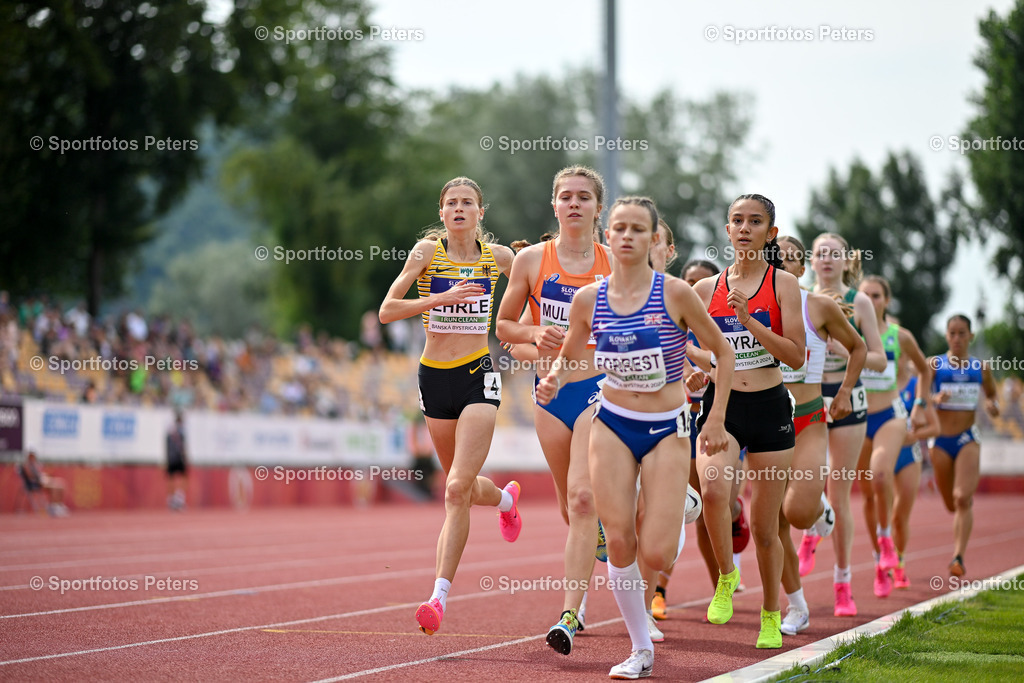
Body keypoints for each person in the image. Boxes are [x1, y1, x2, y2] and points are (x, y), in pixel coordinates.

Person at [537, 196, 735, 679]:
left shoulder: (675, 294)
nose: (626, 236)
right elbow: (567, 355)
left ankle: (676, 506)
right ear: (609, 237)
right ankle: (640, 648)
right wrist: (555, 379)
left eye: (637, 230)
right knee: (620, 541)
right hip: (611, 424)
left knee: (656, 551)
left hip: (667, 430)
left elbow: (723, 354)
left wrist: (715, 420)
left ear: (652, 240)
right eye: (619, 228)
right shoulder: (589, 300)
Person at [379, 176, 519, 635]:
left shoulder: (500, 259)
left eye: (468, 202)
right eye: (451, 203)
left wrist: (531, 340)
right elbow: (387, 310)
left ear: (482, 212)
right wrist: (439, 297)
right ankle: (503, 499)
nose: (459, 208)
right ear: (441, 213)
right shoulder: (426, 252)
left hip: (479, 373)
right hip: (433, 379)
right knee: (462, 487)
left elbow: (530, 306)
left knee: (455, 490)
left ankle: (437, 598)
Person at [495, 166, 611, 656]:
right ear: (554, 205)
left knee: (584, 499)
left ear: (597, 208)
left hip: (600, 390)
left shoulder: (614, 262)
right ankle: (602, 544)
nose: (574, 204)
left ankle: (569, 613)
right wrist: (532, 335)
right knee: (570, 505)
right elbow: (503, 327)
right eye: (566, 196)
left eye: (584, 197)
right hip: (549, 393)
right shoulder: (529, 261)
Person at [690, 194, 806, 649]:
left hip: (771, 409)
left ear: (770, 233)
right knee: (714, 492)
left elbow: (795, 354)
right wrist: (702, 362)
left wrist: (748, 323)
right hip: (722, 409)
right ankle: (725, 575)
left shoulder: (783, 287)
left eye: (754, 222)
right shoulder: (705, 291)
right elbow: (693, 346)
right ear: (726, 229)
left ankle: (771, 615)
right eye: (736, 220)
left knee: (765, 528)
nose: (744, 229)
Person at [774, 235, 866, 635]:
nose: (784, 266)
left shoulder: (820, 306)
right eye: (777, 260)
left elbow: (858, 348)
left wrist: (844, 391)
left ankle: (818, 508)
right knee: (771, 524)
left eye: (793, 261)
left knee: (796, 513)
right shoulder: (752, 309)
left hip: (809, 416)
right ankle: (795, 606)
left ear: (802, 268)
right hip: (765, 421)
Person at [800, 232, 886, 617]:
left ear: (845, 260)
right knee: (807, 478)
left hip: (849, 397)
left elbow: (879, 359)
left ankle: (843, 583)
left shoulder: (859, 300)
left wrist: (841, 348)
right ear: (811, 261)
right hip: (811, 396)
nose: (828, 260)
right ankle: (810, 525)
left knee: (841, 491)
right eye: (821, 254)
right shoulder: (802, 297)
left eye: (834, 254)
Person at [854, 275, 933, 597]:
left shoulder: (900, 337)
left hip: (890, 416)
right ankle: (879, 559)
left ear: (886, 301)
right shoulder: (849, 334)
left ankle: (889, 544)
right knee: (869, 498)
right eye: (865, 295)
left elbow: (925, 370)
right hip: (857, 421)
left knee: (881, 475)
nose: (871, 301)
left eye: (877, 295)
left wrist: (920, 405)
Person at [929, 314, 999, 577]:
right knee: (950, 503)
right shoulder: (935, 365)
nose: (957, 338)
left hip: (967, 437)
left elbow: (992, 395)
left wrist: (993, 406)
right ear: (946, 336)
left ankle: (958, 556)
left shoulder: (981, 367)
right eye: (952, 333)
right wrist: (934, 398)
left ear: (971, 336)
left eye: (962, 333)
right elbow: (919, 396)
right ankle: (957, 548)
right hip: (940, 441)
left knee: (962, 498)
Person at [19, 449, 69, 516]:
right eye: (32, 456)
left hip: (40, 480)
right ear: (29, 457)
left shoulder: (35, 464)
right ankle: (53, 507)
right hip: (35, 484)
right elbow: (30, 476)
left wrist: (43, 476)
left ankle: (58, 505)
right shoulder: (26, 465)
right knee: (54, 487)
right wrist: (39, 478)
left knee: (60, 485)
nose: (33, 457)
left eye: (34, 456)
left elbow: (39, 473)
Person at [166, 411, 188, 511]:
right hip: (178, 457)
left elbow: (166, 445)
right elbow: (183, 446)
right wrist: (185, 457)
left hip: (171, 458)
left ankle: (172, 499)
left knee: (172, 478)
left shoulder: (169, 430)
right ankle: (179, 498)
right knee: (182, 478)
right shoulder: (181, 431)